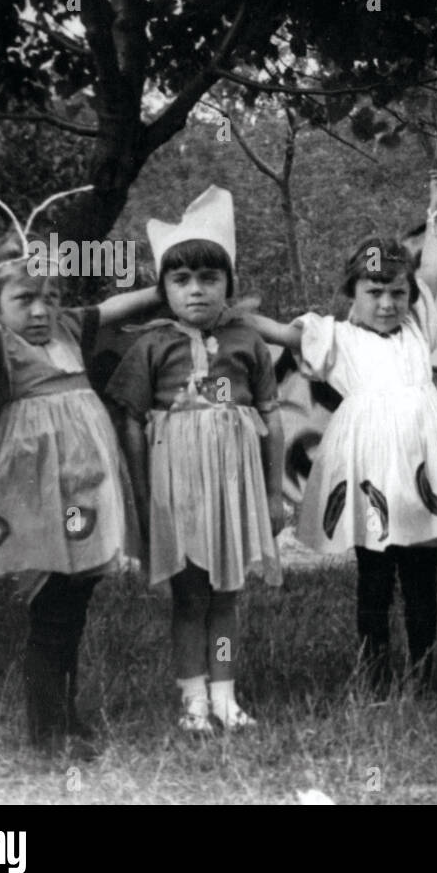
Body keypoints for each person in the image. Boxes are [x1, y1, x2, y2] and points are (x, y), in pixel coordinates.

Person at [0, 188, 157, 756]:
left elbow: (138, 302)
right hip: (38, 500)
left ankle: (67, 720)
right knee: (50, 611)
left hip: (85, 493)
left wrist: (177, 278)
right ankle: (47, 733)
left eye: (50, 296)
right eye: (24, 298)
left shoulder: (71, 329)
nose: (39, 310)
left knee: (74, 604)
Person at [248, 173, 437, 695]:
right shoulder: (336, 339)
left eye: (397, 293)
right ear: (351, 292)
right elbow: (283, 333)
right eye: (374, 292)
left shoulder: (419, 330)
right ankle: (374, 676)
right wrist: (227, 315)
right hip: (371, 470)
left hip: (421, 470)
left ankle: (424, 674)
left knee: (422, 576)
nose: (387, 303)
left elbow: (433, 270)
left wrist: (435, 213)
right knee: (375, 576)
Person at [107, 186, 283, 732]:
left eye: (210, 278)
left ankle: (226, 696)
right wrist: (142, 494)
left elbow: (272, 417)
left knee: (227, 593)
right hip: (176, 485)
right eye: (181, 280)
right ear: (163, 288)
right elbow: (131, 423)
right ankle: (193, 700)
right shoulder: (152, 345)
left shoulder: (246, 340)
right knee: (189, 595)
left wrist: (275, 494)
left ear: (229, 283)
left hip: (232, 484)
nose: (197, 291)